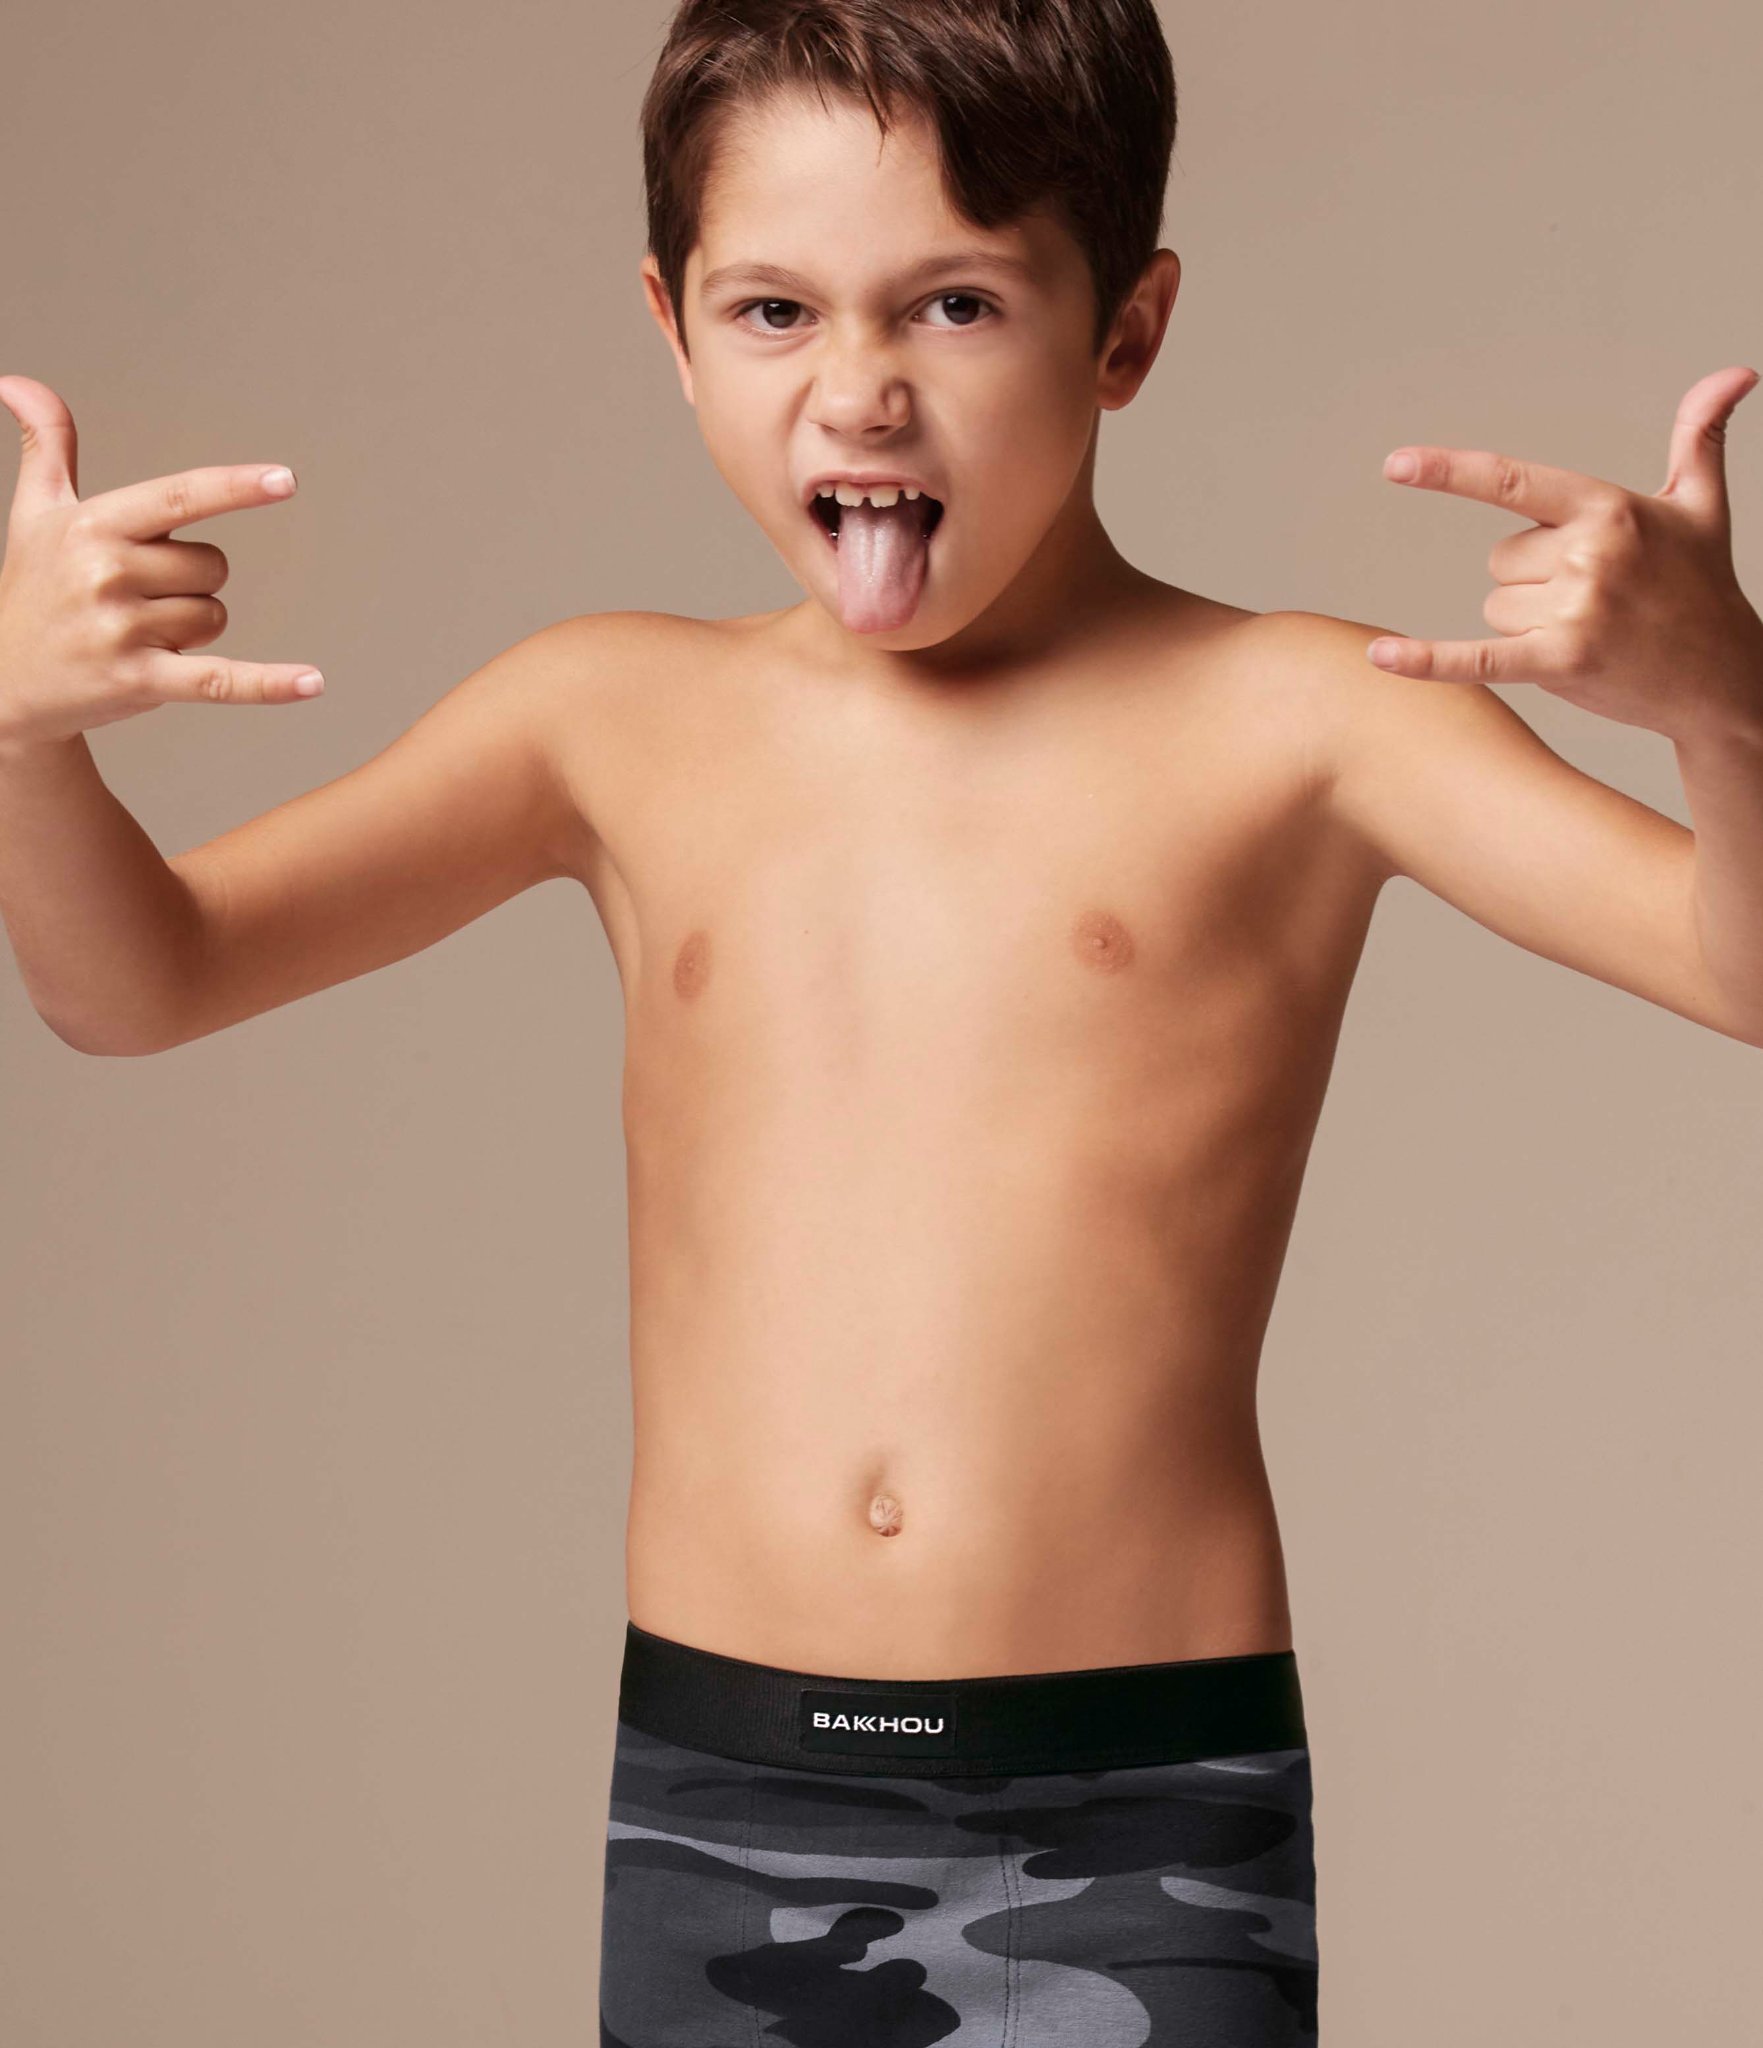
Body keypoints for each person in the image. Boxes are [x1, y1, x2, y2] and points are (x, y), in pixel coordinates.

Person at [3, 1, 1760, 2041]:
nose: (859, 392)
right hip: (721, 1799)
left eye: (954, 305)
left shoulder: (1309, 717)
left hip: (1141, 1813)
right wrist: (24, 738)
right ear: (669, 326)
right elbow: (140, 980)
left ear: (1127, 330)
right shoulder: (605, 715)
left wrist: (1724, 703)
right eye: (773, 311)